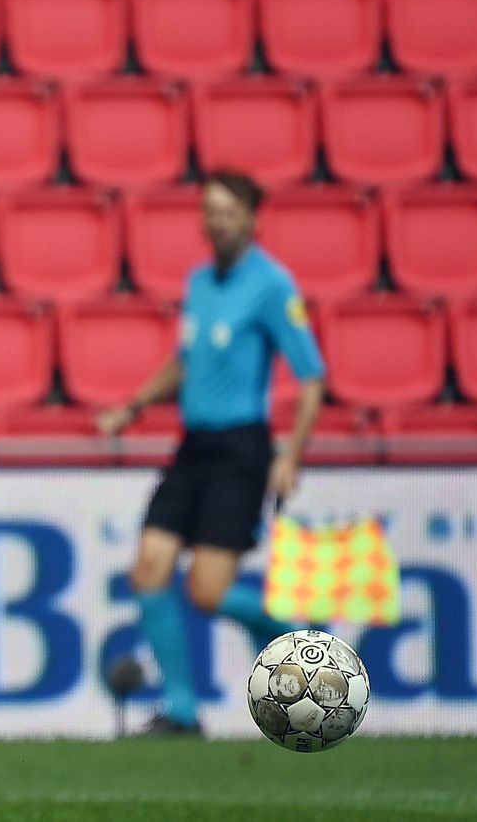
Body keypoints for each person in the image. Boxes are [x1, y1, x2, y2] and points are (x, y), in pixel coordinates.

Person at [98, 170, 325, 737]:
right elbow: (186, 361)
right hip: (192, 447)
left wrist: (290, 455)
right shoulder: (200, 282)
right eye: (210, 211)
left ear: (251, 218)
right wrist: (134, 406)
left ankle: (287, 632)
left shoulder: (273, 285)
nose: (216, 222)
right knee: (149, 568)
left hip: (240, 450)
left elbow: (312, 377)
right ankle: (182, 711)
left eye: (227, 211)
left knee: (207, 592)